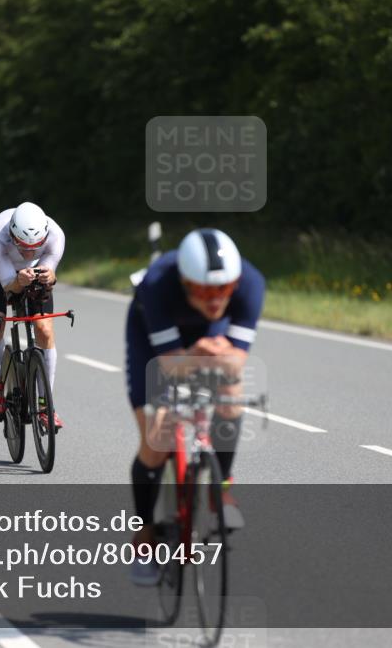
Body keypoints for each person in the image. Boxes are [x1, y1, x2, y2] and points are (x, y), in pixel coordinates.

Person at [124, 228, 265, 585]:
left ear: (235, 283)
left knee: (231, 393)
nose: (215, 299)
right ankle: (144, 537)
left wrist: (215, 358)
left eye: (223, 290)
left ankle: (221, 489)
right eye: (204, 291)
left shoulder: (250, 283)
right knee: (157, 439)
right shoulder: (157, 284)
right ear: (186, 284)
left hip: (206, 336)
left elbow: (236, 365)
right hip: (151, 341)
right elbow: (169, 367)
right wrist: (198, 356)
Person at [0, 201, 65, 429]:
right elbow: (9, 289)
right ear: (12, 236)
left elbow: (51, 274)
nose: (28, 252)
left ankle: (46, 405)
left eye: (35, 247)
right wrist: (17, 282)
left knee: (44, 329)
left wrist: (49, 277)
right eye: (23, 246)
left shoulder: (55, 235)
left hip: (33, 270)